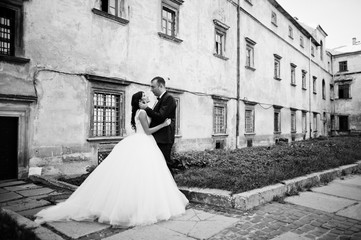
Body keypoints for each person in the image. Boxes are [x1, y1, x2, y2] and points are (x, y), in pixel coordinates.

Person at [34, 91, 188, 227]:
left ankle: (137, 206)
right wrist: (164, 125)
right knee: (143, 175)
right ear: (139, 101)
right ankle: (138, 208)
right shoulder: (141, 113)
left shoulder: (143, 111)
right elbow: (147, 132)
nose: (146, 96)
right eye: (143, 97)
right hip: (144, 142)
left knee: (140, 176)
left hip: (143, 142)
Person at [139, 76, 177, 176]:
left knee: (166, 165)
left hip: (164, 138)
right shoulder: (159, 99)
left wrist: (146, 108)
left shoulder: (169, 98)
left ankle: (171, 189)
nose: (151, 90)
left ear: (160, 86)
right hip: (157, 137)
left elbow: (160, 117)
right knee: (159, 166)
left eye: (153, 87)